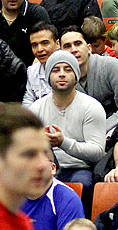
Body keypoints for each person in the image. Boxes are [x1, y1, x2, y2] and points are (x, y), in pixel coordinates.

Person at [29, 50, 107, 193]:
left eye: (68, 69)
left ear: (76, 76)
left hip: (80, 168)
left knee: (83, 184)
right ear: (48, 77)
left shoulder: (91, 107)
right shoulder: (36, 109)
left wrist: (63, 143)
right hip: (44, 167)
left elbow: (97, 152)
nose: (62, 74)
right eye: (56, 70)